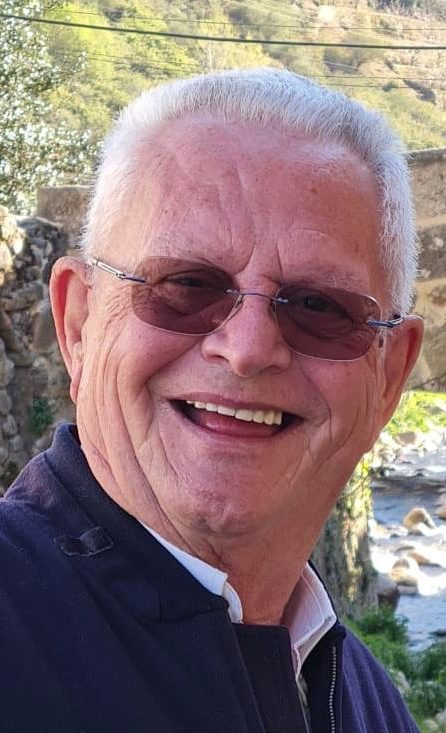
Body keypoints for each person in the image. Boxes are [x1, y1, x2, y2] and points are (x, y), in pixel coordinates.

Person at [0, 69, 423, 732]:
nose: (248, 349)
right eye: (186, 284)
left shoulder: (366, 703)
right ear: (78, 324)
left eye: (318, 307)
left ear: (389, 376)